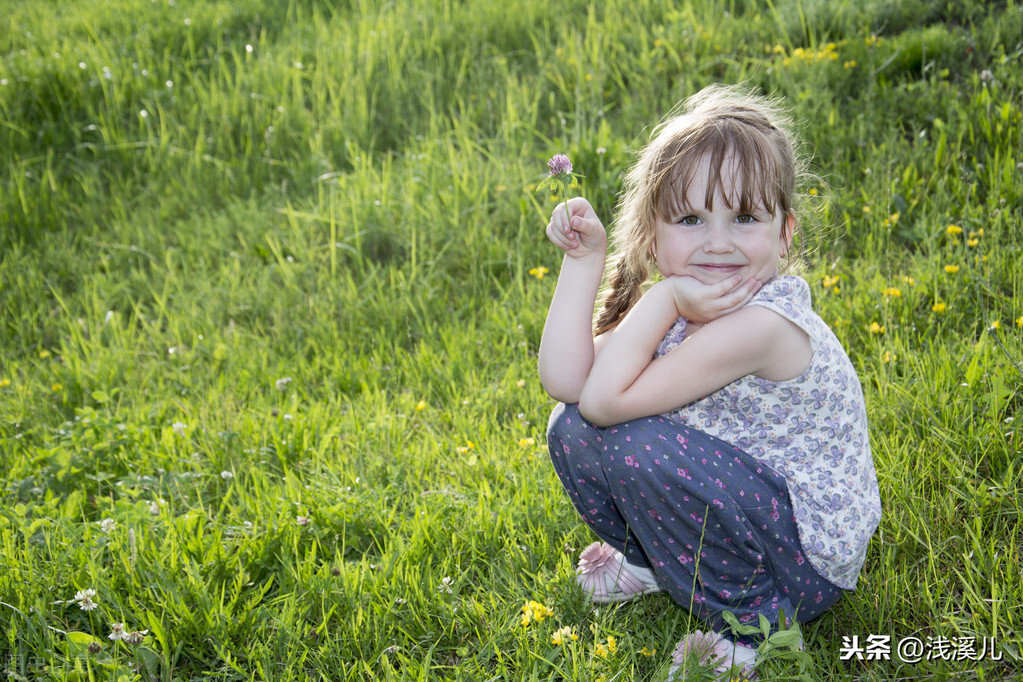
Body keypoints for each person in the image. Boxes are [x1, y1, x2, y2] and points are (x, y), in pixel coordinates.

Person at [538, 84, 882, 679]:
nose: (718, 242)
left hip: (804, 558)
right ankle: (653, 562)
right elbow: (568, 385)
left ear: (785, 232)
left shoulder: (761, 326)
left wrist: (668, 293)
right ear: (653, 236)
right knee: (568, 428)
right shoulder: (684, 302)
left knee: (632, 443)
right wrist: (582, 263)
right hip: (746, 505)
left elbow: (603, 401)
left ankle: (756, 623)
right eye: (692, 219)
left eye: (744, 217)